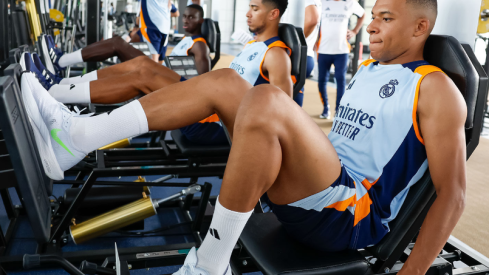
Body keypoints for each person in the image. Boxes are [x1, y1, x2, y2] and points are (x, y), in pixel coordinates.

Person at [21, 0, 467, 274]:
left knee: (266, 99)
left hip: (351, 215)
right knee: (229, 85)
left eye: (385, 18)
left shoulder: (436, 88)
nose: (369, 25)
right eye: (372, 15)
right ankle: (78, 136)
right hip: (316, 188)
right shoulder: (368, 71)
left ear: (419, 28)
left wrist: (412, 272)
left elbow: (454, 193)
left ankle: (207, 267)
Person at [34, 0, 293, 146]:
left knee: (142, 74)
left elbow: (282, 113)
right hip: (208, 107)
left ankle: (62, 103)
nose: (248, 13)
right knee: (144, 68)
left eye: (255, 8)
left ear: (273, 14)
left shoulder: (277, 55)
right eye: (248, 7)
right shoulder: (253, 46)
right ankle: (57, 85)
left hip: (218, 124)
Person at [317, 0, 365, 119]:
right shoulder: (322, 2)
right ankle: (325, 109)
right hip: (323, 49)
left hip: (342, 50)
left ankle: (338, 111)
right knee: (322, 80)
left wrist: (355, 31)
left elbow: (363, 15)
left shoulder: (350, 3)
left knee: (340, 80)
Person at [294, 0, 321, 107]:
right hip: (303, 54)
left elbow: (312, 20)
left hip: (297, 55)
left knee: (288, 101)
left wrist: (295, 42)